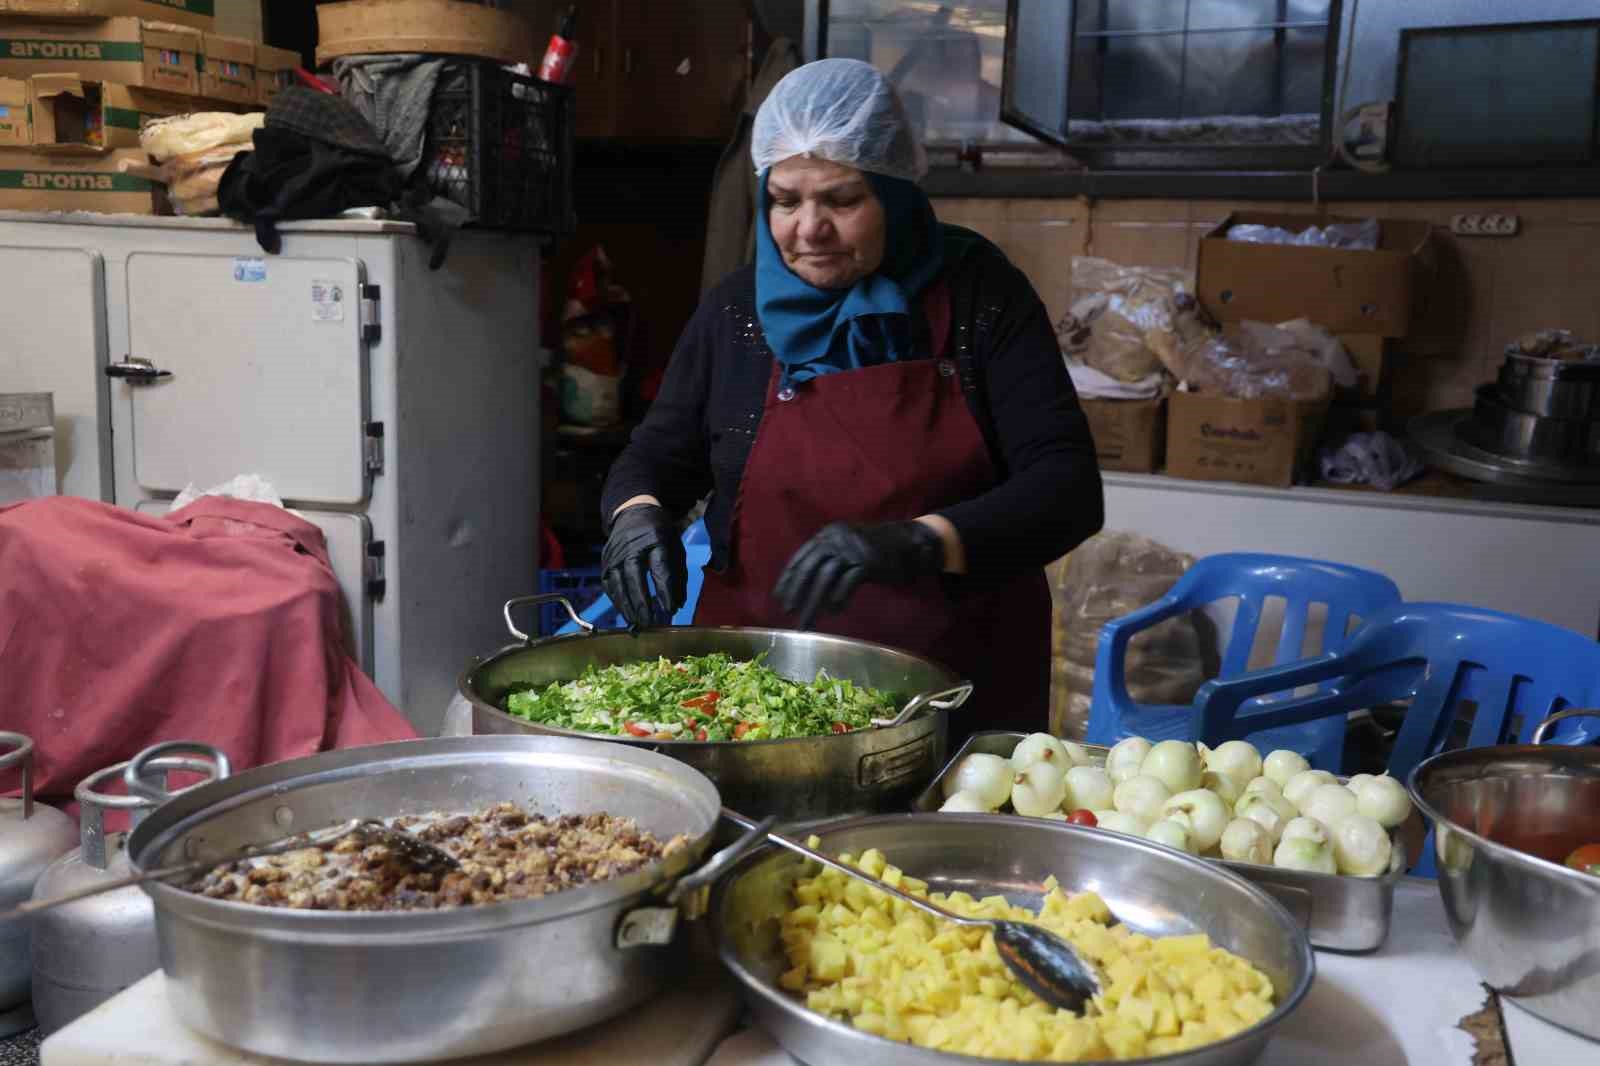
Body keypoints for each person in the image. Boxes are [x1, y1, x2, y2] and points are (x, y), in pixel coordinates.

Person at [598, 59, 1102, 736]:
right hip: (756, 697)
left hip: (948, 692)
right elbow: (657, 455)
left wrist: (922, 542)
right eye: (784, 200)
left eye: (841, 200)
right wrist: (636, 515)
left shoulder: (980, 294)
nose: (809, 229)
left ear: (893, 193)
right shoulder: (736, 313)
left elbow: (1067, 487)